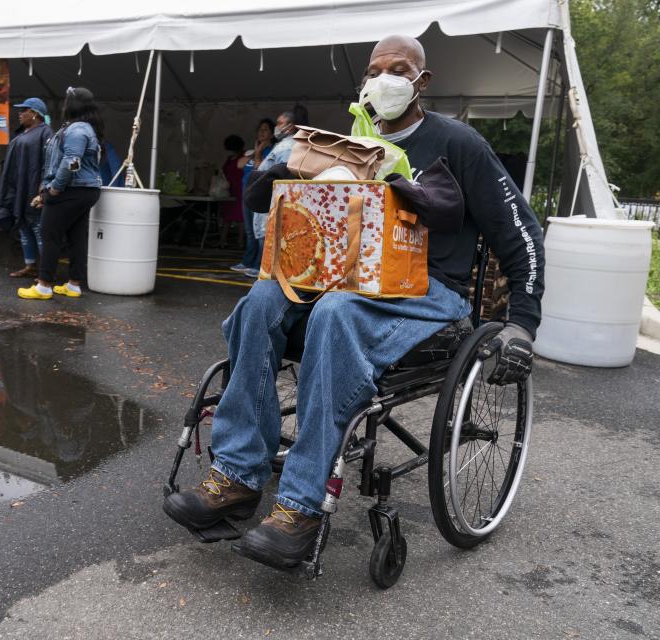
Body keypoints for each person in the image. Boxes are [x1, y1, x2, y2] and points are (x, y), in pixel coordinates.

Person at [163, 35, 545, 572]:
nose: (383, 79)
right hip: (347, 279)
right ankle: (237, 476)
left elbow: (520, 233)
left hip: (429, 291)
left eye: (398, 69)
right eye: (375, 70)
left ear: (421, 82)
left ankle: (300, 507)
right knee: (261, 300)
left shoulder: (457, 144)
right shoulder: (351, 142)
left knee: (336, 314)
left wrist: (523, 323)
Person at [17, 87, 103, 301]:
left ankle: (44, 285)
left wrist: (55, 187)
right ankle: (74, 284)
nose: (64, 104)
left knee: (50, 235)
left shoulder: (77, 130)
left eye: (67, 100)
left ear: (73, 104)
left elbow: (72, 161)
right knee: (76, 237)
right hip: (85, 190)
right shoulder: (83, 128)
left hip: (72, 189)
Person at [0, 97, 54, 278]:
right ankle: (30, 266)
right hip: (19, 187)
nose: (19, 114)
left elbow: (49, 162)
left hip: (33, 188)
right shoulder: (23, 133)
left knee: (37, 227)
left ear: (35, 114)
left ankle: (47, 272)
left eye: (24, 110)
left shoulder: (46, 133)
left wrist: (43, 187)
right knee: (23, 227)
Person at [242, 109, 303, 276]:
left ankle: (265, 272)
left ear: (290, 127)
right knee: (261, 234)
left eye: (280, 123)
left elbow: (282, 177)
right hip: (266, 200)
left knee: (266, 238)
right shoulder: (283, 145)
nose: (277, 127)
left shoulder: (287, 147)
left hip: (271, 202)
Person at [230, 118, 275, 276]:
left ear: (272, 133)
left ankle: (258, 265)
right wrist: (255, 151)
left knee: (259, 231)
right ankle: (248, 261)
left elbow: (258, 167)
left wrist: (257, 153)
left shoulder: (272, 151)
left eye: (265, 130)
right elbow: (239, 165)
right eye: (260, 130)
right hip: (246, 192)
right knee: (249, 230)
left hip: (259, 194)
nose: (261, 133)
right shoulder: (252, 151)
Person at [219, 135, 245, 250]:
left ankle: (239, 242)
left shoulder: (239, 158)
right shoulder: (231, 159)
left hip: (239, 190)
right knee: (230, 217)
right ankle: (224, 241)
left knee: (238, 218)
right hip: (230, 191)